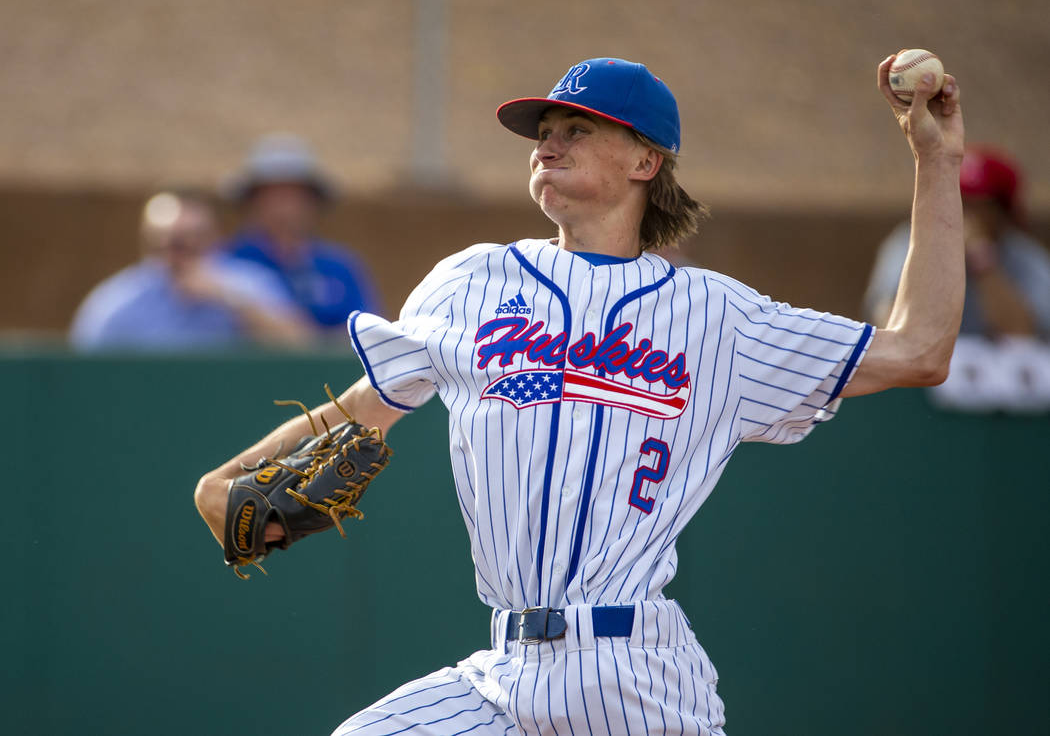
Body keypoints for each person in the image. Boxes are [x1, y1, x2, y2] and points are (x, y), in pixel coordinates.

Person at [195, 55, 964, 734]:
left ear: (645, 162)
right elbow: (365, 408)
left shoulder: (719, 319)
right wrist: (225, 479)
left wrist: (936, 162)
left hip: (634, 680)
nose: (548, 141)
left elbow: (919, 349)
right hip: (505, 675)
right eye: (544, 129)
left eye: (579, 127)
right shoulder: (471, 281)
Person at [71, 189, 312, 351]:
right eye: (168, 243)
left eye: (193, 241)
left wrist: (230, 299)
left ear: (216, 238)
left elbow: (303, 345)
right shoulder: (115, 302)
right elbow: (84, 366)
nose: (178, 255)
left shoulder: (250, 283)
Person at [864, 145, 1050, 338]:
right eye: (952, 197)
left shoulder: (1024, 256)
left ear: (1002, 212)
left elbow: (1022, 333)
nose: (958, 211)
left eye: (973, 205)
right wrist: (932, 257)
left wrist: (981, 258)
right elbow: (890, 322)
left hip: (998, 366)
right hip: (928, 363)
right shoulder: (911, 240)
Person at [223, 133, 383, 330]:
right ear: (252, 202)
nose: (284, 205)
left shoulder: (339, 267)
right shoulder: (226, 265)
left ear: (313, 201)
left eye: (295, 195)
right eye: (273, 195)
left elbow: (366, 334)